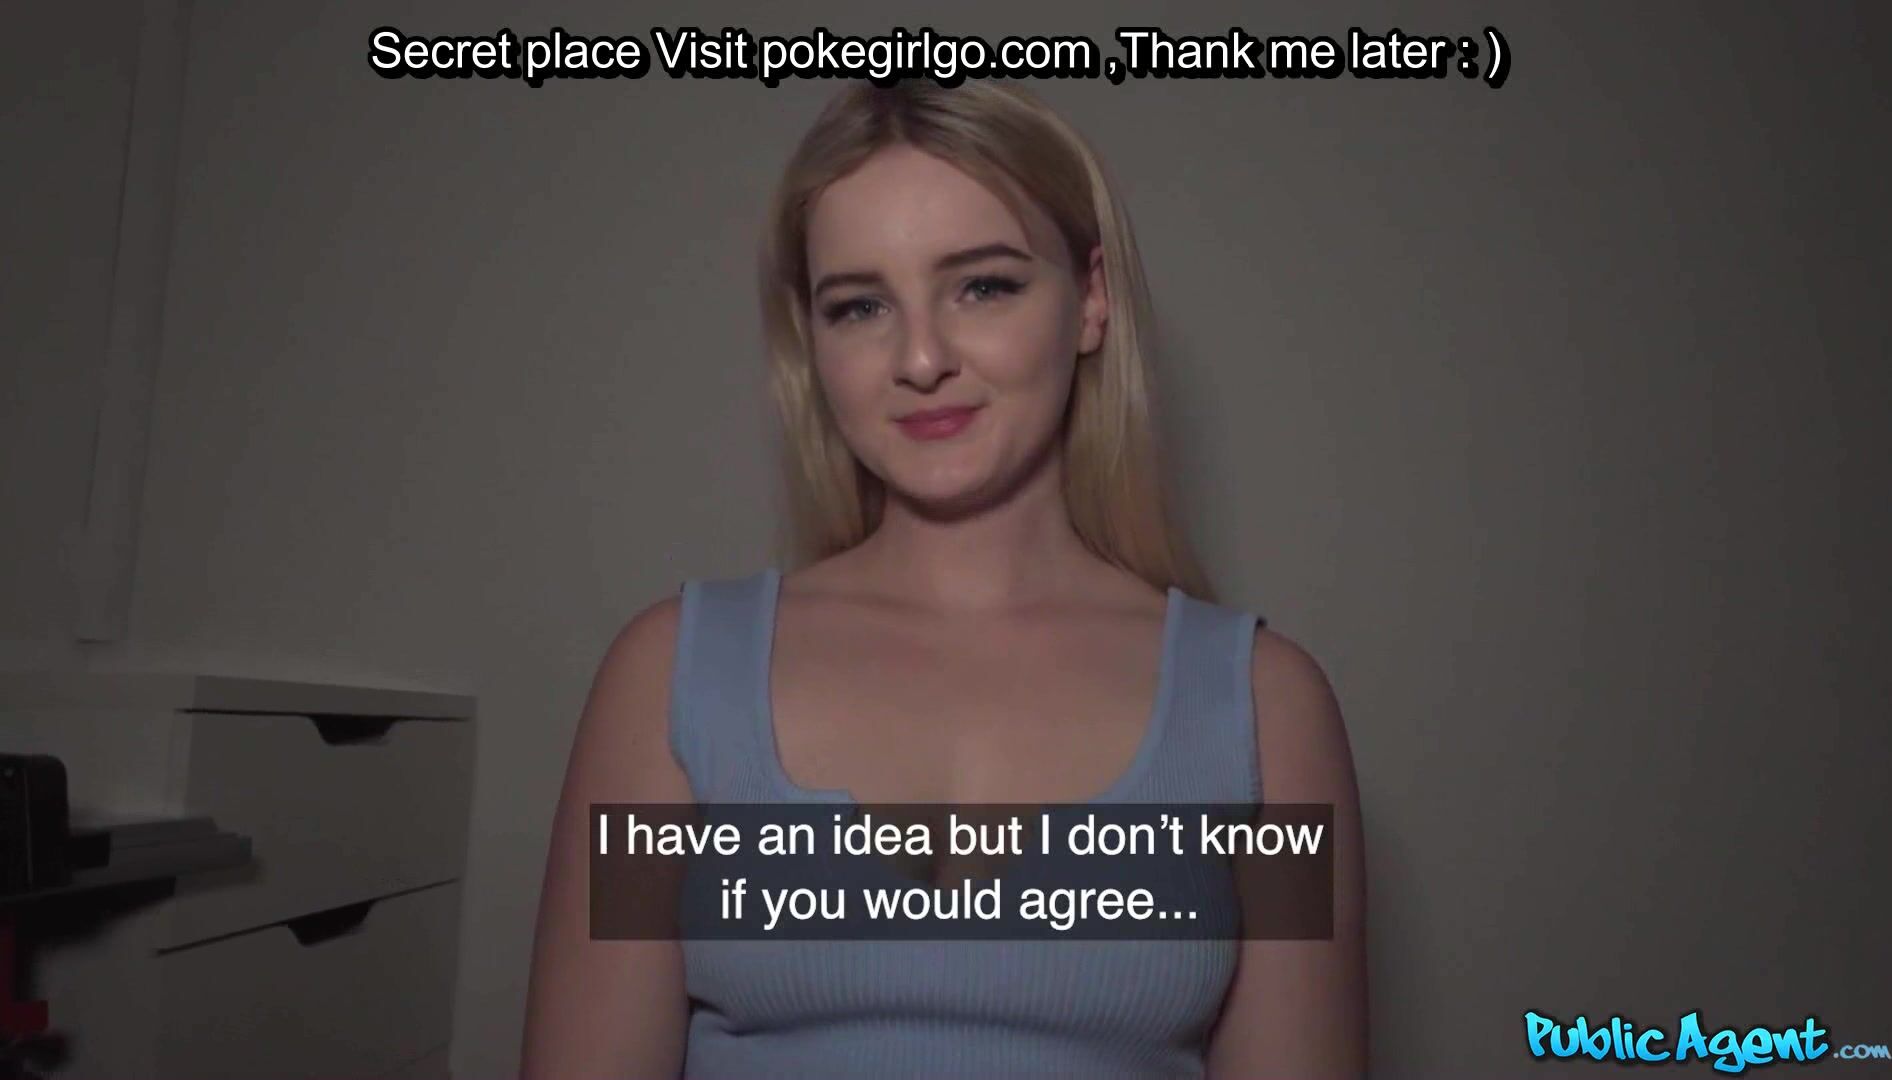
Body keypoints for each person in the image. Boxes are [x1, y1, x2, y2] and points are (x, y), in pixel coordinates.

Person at [521, 79, 1366, 1079]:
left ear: (1091, 299)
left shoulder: (1266, 711)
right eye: (859, 306)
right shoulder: (668, 679)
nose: (920, 358)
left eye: (983, 287)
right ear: (812, 340)